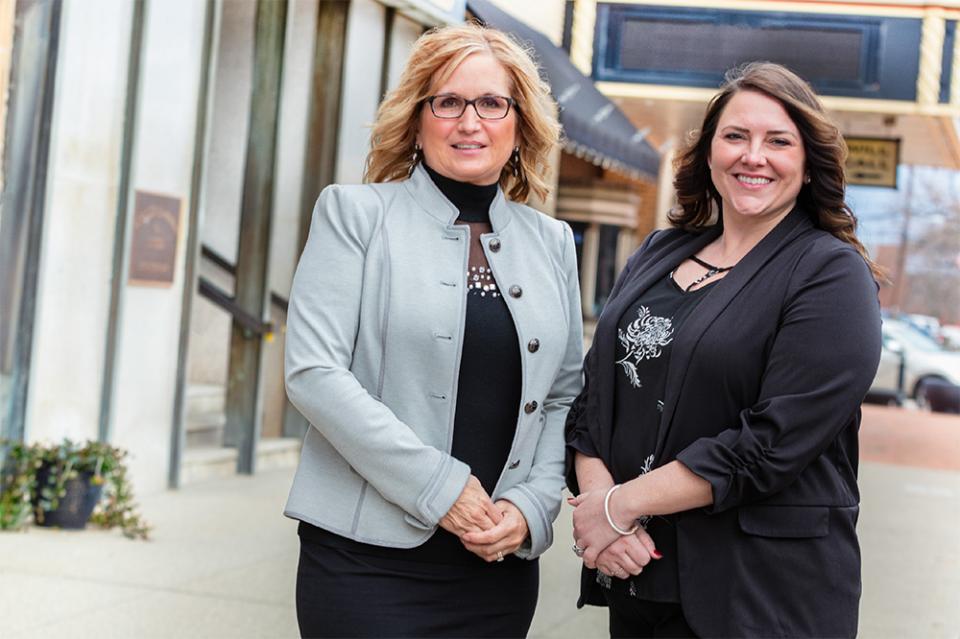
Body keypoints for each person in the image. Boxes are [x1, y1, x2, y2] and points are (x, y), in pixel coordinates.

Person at [284, 23, 583, 638]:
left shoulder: (552, 243)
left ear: (521, 125)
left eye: (492, 103)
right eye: (447, 102)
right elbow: (314, 374)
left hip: (495, 566)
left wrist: (533, 509)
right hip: (364, 564)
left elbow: (564, 397)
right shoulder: (354, 215)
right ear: (417, 119)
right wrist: (442, 489)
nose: (469, 121)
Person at [565, 62, 883, 638]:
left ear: (808, 162)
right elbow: (595, 399)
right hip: (641, 575)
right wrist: (600, 510)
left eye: (778, 141)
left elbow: (772, 442)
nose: (753, 156)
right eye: (735, 136)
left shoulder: (831, 274)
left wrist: (621, 506)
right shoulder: (659, 252)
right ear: (709, 153)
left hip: (762, 598)